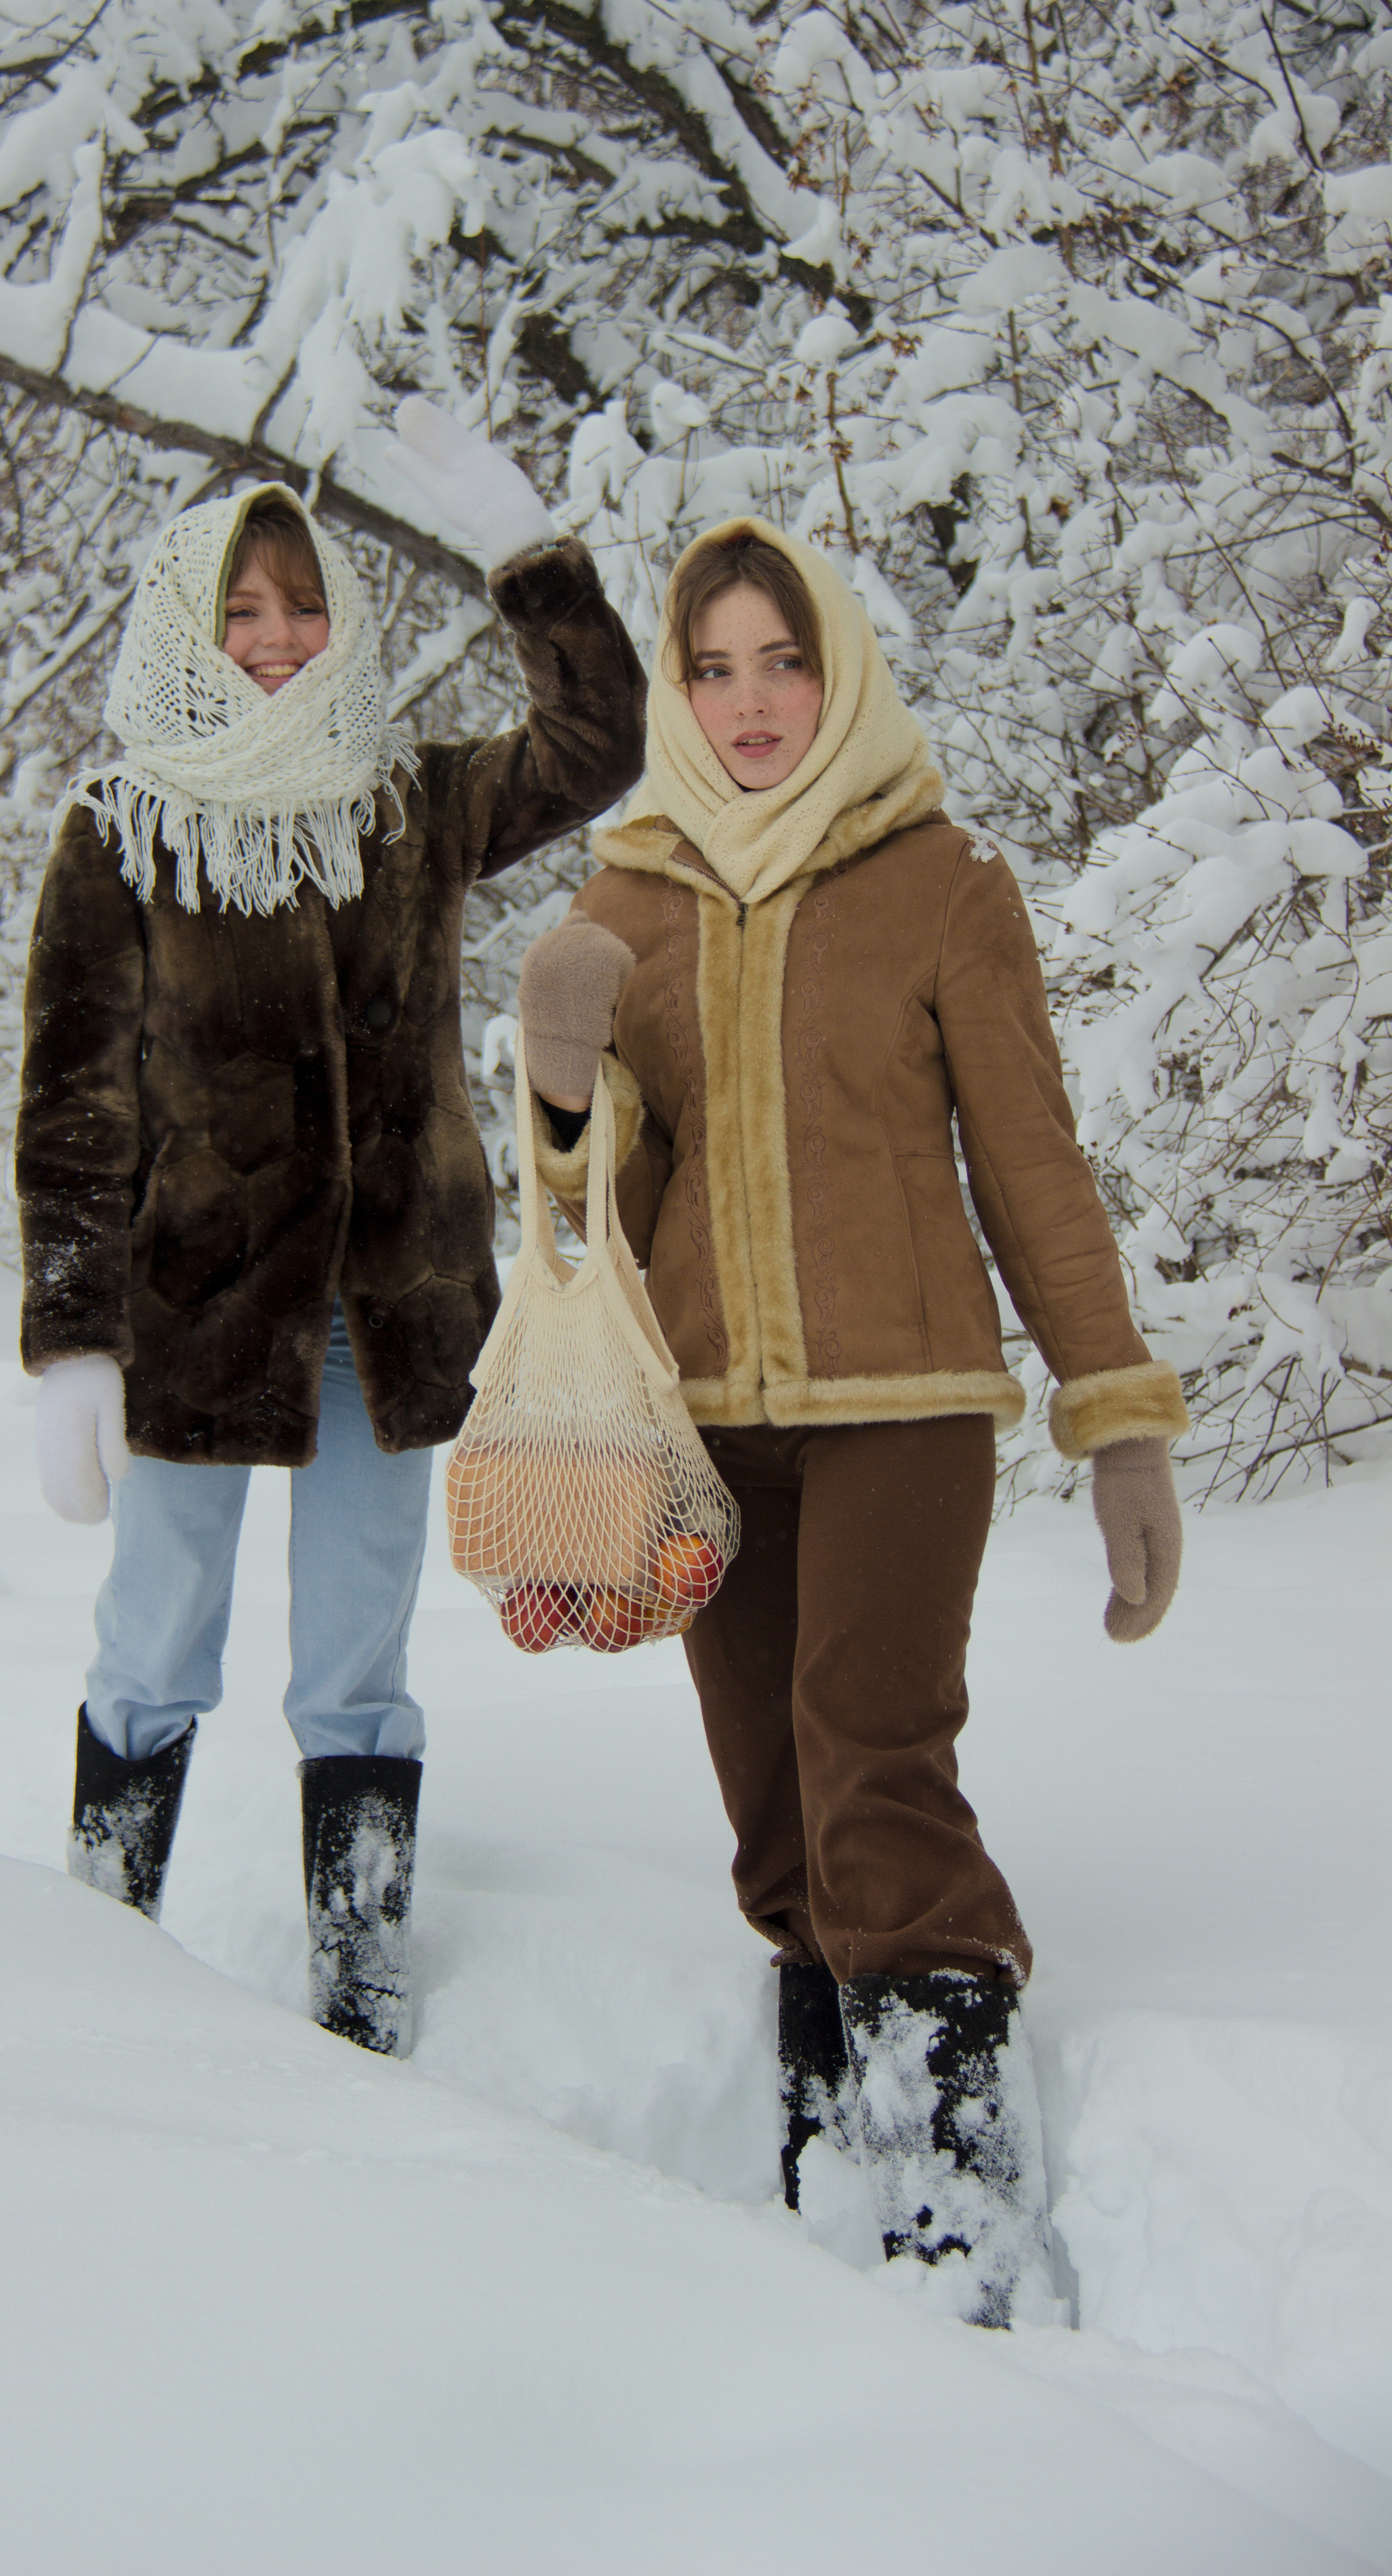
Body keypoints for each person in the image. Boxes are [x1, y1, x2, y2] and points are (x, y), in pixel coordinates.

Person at [516, 518, 1186, 2322]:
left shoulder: (940, 879)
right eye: (714, 666)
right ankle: (829, 2135)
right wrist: (563, 1073)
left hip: (907, 1404)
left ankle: (951, 2164)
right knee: (771, 1816)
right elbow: (583, 1227)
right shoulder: (625, 899)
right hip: (707, 1426)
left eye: (784, 660)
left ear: (843, 671)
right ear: (676, 685)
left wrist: (1115, 1417)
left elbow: (1030, 1163)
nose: (750, 701)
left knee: (873, 1753)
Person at [16, 400, 646, 2054]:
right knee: (152, 1643)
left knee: (356, 1668)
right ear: (187, 629)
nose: (278, 638)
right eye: (241, 610)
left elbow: (598, 749)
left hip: (389, 1309)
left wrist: (529, 558)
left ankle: (356, 1986)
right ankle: (94, 1935)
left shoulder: (409, 806)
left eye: (301, 605)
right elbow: (70, 1102)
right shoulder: (120, 830)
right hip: (197, 1320)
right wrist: (70, 1339)